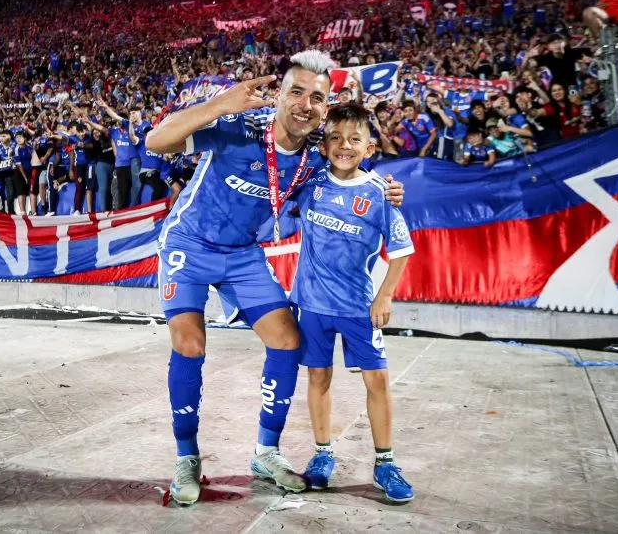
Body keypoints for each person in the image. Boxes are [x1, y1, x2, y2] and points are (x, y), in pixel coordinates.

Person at [145, 50, 403, 506]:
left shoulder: (314, 158)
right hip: (189, 244)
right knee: (190, 343)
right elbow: (155, 142)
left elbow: (350, 170)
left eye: (317, 97)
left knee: (288, 341)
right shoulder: (239, 128)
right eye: (297, 91)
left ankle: (266, 452)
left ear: (326, 107)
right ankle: (187, 456)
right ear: (278, 95)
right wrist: (219, 105)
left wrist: (384, 186)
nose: (305, 104)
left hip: (243, 254)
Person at [290, 102, 416, 502]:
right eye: (336, 138)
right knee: (317, 377)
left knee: (377, 380)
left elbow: (402, 250)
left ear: (369, 147)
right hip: (311, 303)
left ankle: (385, 463)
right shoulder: (310, 182)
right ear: (324, 145)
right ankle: (323, 454)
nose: (344, 145)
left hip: (359, 307)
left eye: (354, 139)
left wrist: (385, 295)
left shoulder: (381, 192)